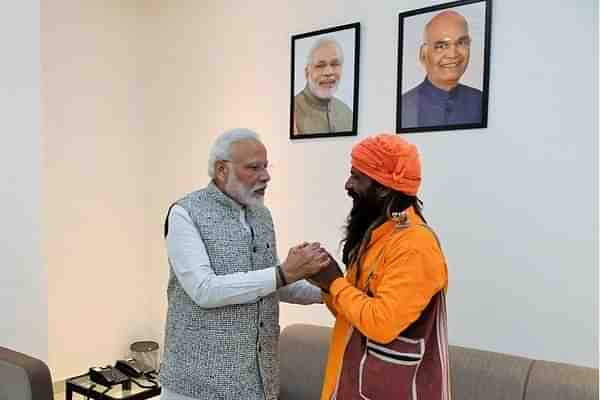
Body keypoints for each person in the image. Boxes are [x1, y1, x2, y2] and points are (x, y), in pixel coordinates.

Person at [159, 128, 329, 400]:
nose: (266, 176)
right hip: (196, 386)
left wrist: (330, 292)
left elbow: (273, 285)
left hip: (258, 383)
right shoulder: (185, 213)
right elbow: (205, 289)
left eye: (266, 166)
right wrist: (284, 273)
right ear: (221, 170)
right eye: (254, 167)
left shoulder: (261, 215)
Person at [309, 133, 450, 399]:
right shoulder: (377, 234)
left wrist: (335, 282)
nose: (347, 184)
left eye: (357, 177)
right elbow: (351, 313)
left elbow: (381, 323)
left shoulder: (415, 245)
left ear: (384, 188)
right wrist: (323, 281)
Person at [401, 10, 482, 128]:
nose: (453, 54)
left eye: (461, 43)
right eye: (441, 46)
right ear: (423, 55)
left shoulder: (480, 101)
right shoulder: (404, 105)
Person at [293, 37, 353, 135]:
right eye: (320, 66)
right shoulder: (293, 110)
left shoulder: (347, 112)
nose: (329, 72)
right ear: (307, 72)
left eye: (334, 64)